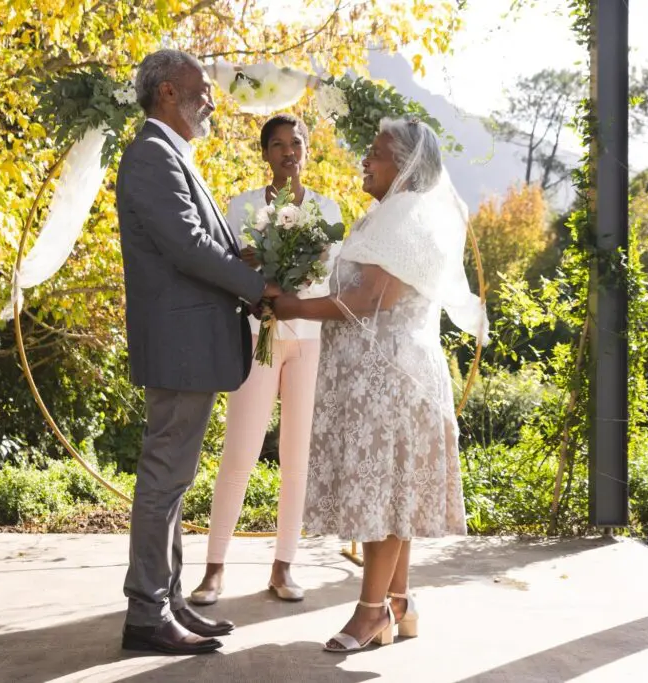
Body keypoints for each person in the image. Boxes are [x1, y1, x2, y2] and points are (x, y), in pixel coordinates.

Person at [271, 117, 488, 652]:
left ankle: (371, 615)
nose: (365, 161)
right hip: (382, 376)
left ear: (407, 166)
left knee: (381, 495)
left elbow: (370, 301)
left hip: (390, 380)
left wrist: (291, 305)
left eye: (377, 153)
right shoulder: (389, 215)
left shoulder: (406, 219)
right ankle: (399, 602)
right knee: (394, 493)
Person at [114, 48, 281, 656]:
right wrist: (258, 287)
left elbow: (201, 241)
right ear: (166, 94)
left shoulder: (168, 154)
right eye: (201, 88)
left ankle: (169, 599)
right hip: (181, 345)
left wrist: (247, 261)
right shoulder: (151, 156)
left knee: (175, 479)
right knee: (164, 477)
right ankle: (146, 613)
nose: (210, 99)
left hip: (190, 342)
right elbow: (186, 245)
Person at [189, 114, 343, 606]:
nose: (287, 151)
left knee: (296, 458)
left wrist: (299, 282)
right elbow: (231, 272)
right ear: (265, 153)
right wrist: (257, 286)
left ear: (307, 149)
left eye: (296, 142)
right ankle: (214, 569)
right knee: (240, 451)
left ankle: (283, 568)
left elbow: (332, 277)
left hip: (310, 340)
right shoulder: (242, 207)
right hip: (259, 336)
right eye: (277, 144)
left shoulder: (326, 208)